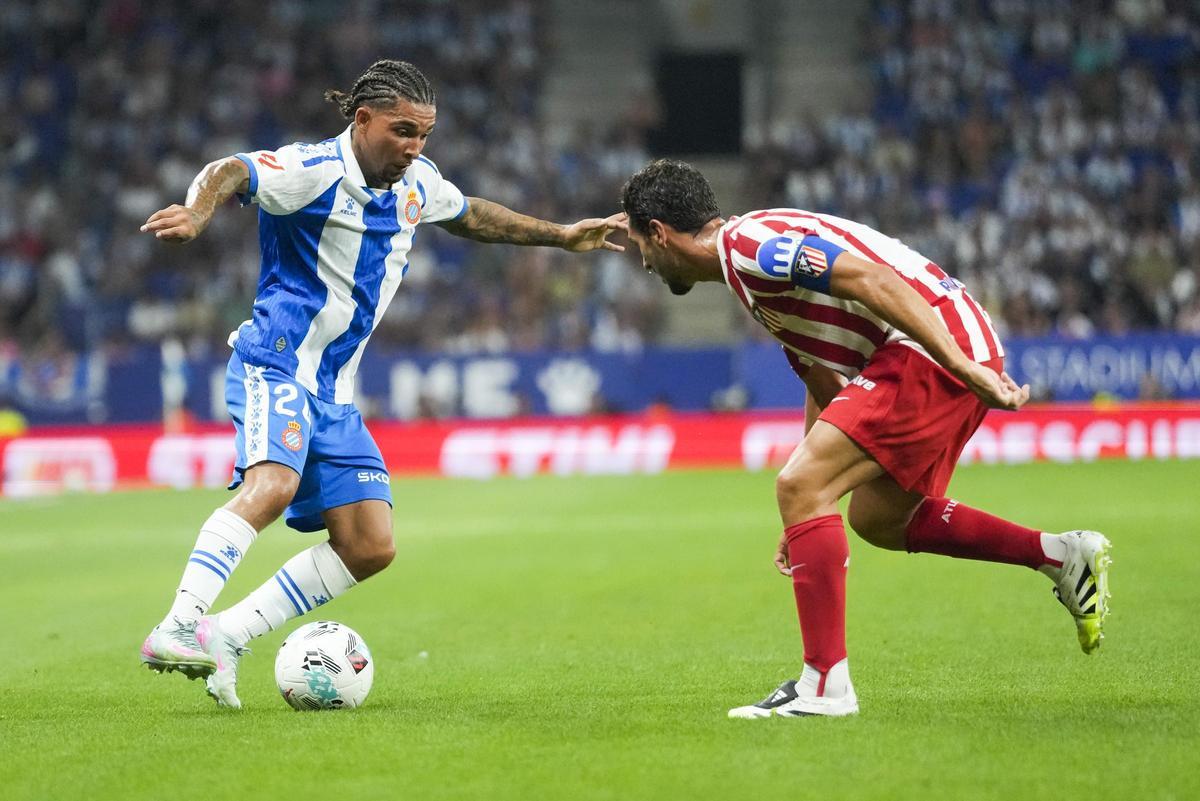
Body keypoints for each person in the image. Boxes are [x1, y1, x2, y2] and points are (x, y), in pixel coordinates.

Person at [138, 59, 626, 708]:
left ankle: (225, 633)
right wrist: (199, 212)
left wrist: (562, 237)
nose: (415, 147)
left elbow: (470, 213)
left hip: (334, 394)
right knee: (274, 483)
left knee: (370, 544)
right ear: (363, 120)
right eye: (403, 131)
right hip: (275, 364)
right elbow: (231, 169)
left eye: (424, 134)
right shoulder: (312, 170)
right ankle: (178, 622)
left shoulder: (416, 183)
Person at [619, 159, 1111, 719]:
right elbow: (819, 376)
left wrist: (957, 365)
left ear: (660, 233)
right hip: (937, 348)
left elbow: (872, 280)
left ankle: (825, 687)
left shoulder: (749, 247)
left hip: (934, 347)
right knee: (878, 518)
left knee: (802, 486)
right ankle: (1061, 556)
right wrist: (810, 505)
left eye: (640, 244)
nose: (643, 261)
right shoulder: (748, 268)